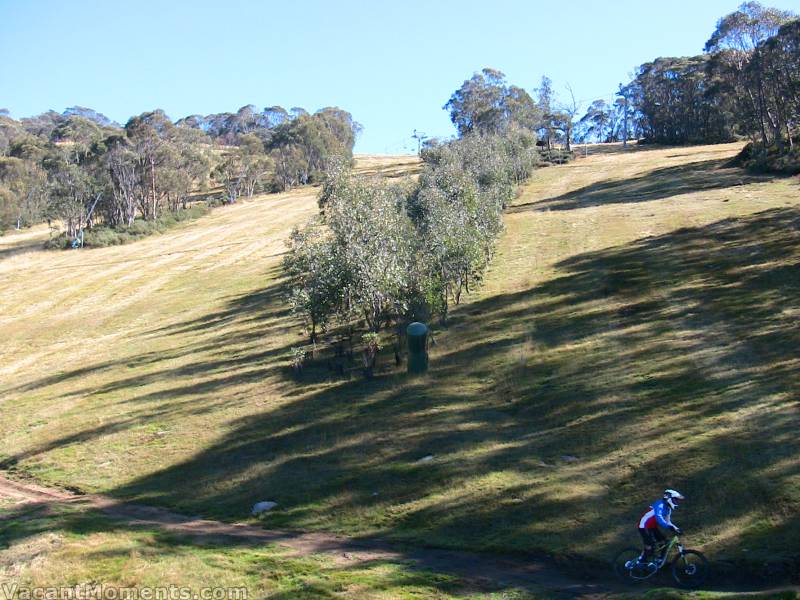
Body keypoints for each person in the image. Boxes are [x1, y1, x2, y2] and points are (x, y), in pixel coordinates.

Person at [637, 489, 684, 565]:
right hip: (643, 525)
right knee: (650, 545)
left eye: (677, 500)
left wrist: (676, 529)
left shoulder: (668, 508)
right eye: (675, 500)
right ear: (669, 498)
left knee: (664, 542)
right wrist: (668, 527)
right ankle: (640, 562)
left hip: (652, 526)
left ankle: (659, 560)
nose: (677, 502)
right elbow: (659, 518)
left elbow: (668, 521)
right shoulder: (660, 505)